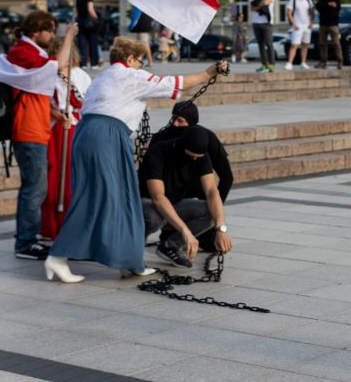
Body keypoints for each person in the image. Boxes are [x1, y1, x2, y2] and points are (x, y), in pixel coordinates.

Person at [44, 37, 225, 283]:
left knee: (124, 198)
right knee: (97, 198)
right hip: (106, 136)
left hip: (94, 134)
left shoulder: (104, 76)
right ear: (129, 59)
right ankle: (58, 256)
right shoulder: (129, 75)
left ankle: (130, 260)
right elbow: (176, 83)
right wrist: (208, 73)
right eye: (140, 61)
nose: (142, 66)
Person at [0, 11, 78, 260]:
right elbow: (56, 65)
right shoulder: (23, 53)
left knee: (38, 186)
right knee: (35, 188)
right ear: (36, 31)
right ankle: (25, 243)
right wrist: (69, 36)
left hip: (38, 127)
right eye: (49, 30)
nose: (52, 36)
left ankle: (29, 238)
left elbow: (35, 91)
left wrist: (55, 113)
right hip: (27, 130)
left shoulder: (32, 53)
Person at [140, 126, 234, 268]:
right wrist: (186, 231)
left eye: (198, 157)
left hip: (175, 204)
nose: (194, 159)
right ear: (181, 146)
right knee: (154, 217)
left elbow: (211, 191)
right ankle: (134, 251)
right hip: (148, 204)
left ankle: (171, 246)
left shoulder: (202, 157)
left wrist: (221, 228)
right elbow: (158, 197)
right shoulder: (158, 153)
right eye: (191, 156)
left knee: (209, 212)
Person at [40, 38, 91, 241]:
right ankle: (50, 226)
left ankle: (73, 225)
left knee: (74, 177)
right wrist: (57, 115)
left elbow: (91, 101)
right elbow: (43, 101)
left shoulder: (81, 75)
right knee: (53, 178)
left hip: (77, 129)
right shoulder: (47, 74)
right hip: (55, 130)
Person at [148, 101, 233, 203]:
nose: (175, 123)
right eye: (173, 118)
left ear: (191, 122)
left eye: (180, 121)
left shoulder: (205, 138)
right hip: (168, 198)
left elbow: (226, 176)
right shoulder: (161, 138)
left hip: (198, 197)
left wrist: (216, 205)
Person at [284, 0, 313, 70]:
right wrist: (294, 24)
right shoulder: (293, 0)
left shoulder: (308, 0)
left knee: (305, 45)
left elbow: (312, 12)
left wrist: (311, 22)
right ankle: (289, 63)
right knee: (294, 45)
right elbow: (289, 13)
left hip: (307, 26)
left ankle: (303, 62)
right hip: (298, 26)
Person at [250, 0, 275, 72]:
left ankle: (271, 65)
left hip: (267, 23)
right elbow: (251, 8)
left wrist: (258, 5)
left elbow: (267, 2)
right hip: (256, 23)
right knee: (260, 45)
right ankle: (264, 65)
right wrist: (261, 4)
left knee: (269, 44)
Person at [315, 0, 343, 69]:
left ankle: (340, 61)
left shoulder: (336, 0)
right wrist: (328, 4)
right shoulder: (322, 1)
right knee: (322, 44)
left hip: (333, 25)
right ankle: (323, 62)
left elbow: (336, 9)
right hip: (323, 25)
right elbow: (318, 6)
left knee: (336, 43)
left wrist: (328, 6)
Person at [75, 0, 101, 69]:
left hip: (80, 22)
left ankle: (83, 64)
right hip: (90, 23)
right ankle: (94, 64)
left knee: (82, 44)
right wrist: (96, 18)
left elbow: (77, 11)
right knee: (93, 43)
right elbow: (90, 10)